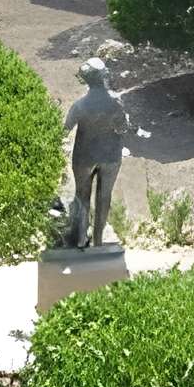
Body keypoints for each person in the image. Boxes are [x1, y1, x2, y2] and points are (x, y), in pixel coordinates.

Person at [61, 58, 140, 248]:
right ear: (104, 77)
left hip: (84, 157)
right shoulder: (115, 102)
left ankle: (81, 238)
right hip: (110, 156)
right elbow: (122, 128)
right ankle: (98, 240)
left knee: (82, 196)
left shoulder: (79, 105)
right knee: (104, 196)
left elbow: (65, 129)